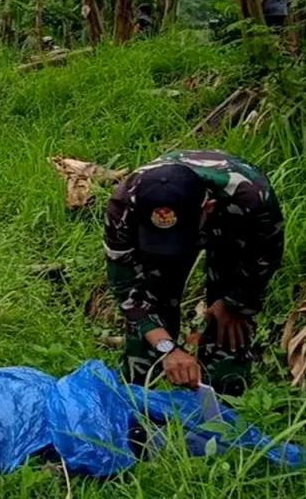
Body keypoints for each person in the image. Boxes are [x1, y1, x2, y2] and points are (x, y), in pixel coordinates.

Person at [103, 149, 284, 396]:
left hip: (230, 225)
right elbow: (126, 287)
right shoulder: (125, 203)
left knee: (230, 325)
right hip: (164, 231)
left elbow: (265, 256)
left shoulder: (250, 196)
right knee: (152, 313)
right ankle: (136, 404)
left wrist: (235, 302)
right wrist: (167, 348)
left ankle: (224, 403)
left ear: (206, 208)